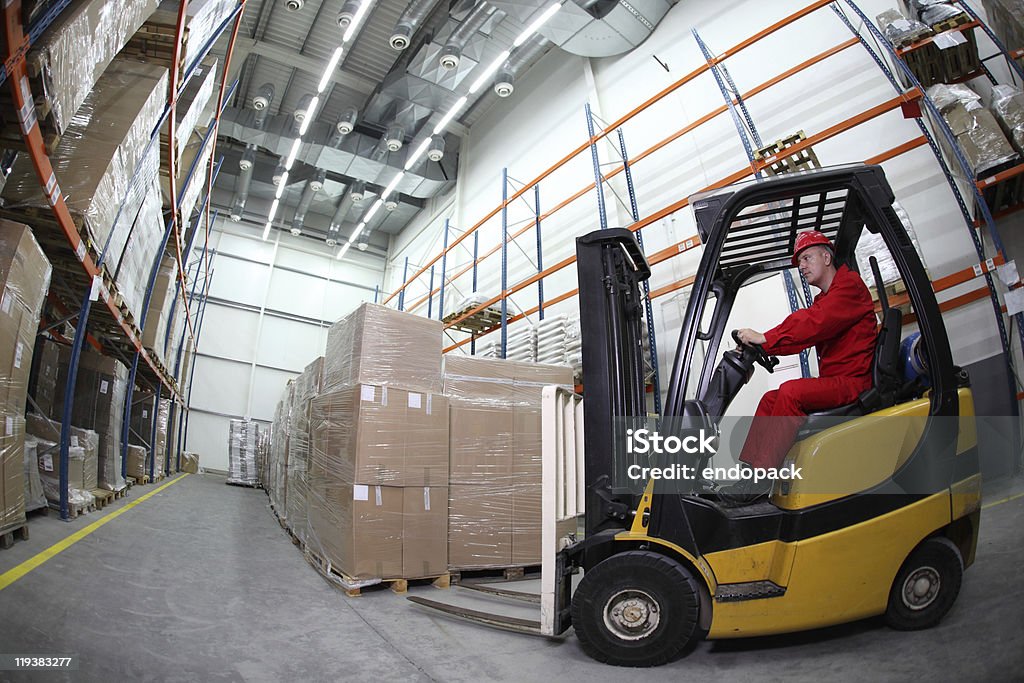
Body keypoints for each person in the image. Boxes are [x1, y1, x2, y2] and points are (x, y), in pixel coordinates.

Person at [719, 230, 877, 505]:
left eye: (806, 258)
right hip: (837, 380)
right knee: (771, 399)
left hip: (852, 382)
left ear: (826, 257)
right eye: (800, 261)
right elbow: (803, 335)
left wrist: (766, 337)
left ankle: (761, 478)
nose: (801, 266)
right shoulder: (826, 299)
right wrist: (763, 346)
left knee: (792, 392)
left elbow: (812, 323)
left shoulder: (849, 288)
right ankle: (750, 474)